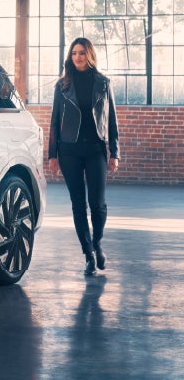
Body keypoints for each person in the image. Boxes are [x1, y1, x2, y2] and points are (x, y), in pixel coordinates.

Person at [48, 38, 120, 276]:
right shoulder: (62, 86)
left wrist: (115, 152)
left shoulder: (103, 83)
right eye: (74, 53)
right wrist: (52, 155)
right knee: (78, 204)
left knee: (97, 204)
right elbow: (55, 121)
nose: (77, 57)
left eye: (81, 53)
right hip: (69, 151)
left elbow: (112, 119)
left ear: (89, 55)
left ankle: (97, 242)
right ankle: (88, 254)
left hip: (96, 149)